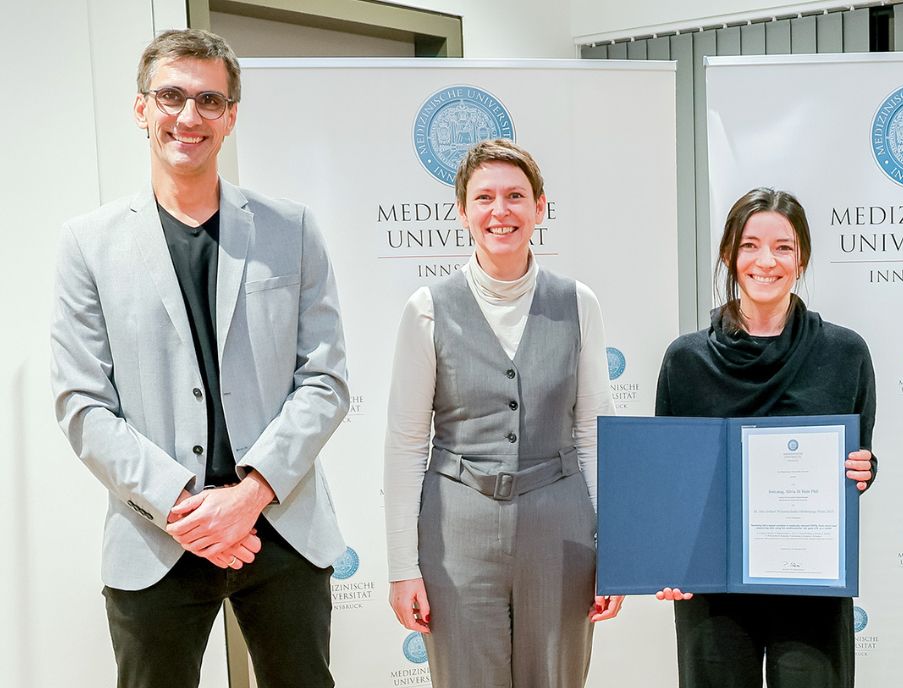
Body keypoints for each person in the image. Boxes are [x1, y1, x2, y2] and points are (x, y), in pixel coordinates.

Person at [50, 29, 350, 688]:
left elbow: (325, 381)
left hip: (280, 526)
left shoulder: (291, 229)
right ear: (141, 108)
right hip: (155, 534)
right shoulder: (88, 244)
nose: (190, 116)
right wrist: (185, 506)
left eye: (209, 100)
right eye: (172, 97)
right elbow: (82, 404)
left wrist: (248, 496)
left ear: (231, 116)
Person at [384, 139, 622, 687]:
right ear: (462, 211)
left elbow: (593, 433)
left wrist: (615, 552)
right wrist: (402, 567)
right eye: (484, 197)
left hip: (561, 533)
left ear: (540, 207)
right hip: (456, 536)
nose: (500, 211)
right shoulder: (426, 309)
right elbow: (405, 443)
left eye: (515, 196)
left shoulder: (578, 303)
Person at [653, 188, 877, 688]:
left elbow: (857, 456)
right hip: (712, 585)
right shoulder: (686, 361)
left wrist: (863, 468)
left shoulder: (844, 354)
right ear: (729, 255)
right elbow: (669, 477)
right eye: (750, 245)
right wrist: (666, 558)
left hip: (810, 581)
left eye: (783, 247)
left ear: (802, 259)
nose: (766, 261)